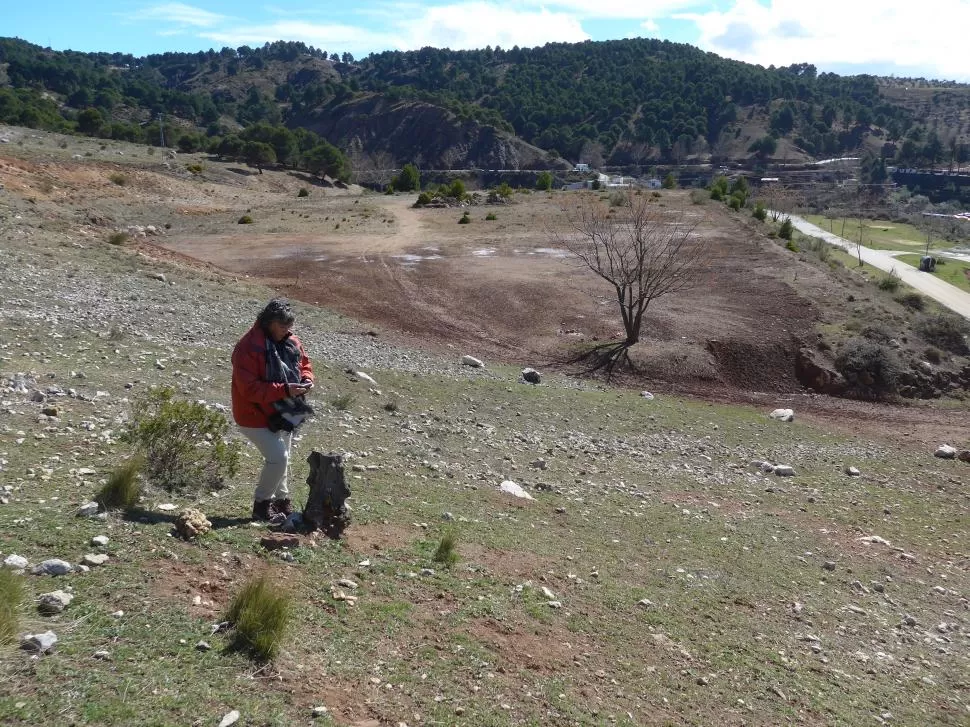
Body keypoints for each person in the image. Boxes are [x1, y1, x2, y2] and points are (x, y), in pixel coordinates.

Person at [231, 299, 314, 522]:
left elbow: (304, 363)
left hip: (284, 410)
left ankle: (282, 501)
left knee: (283, 458)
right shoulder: (248, 347)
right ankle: (261, 506)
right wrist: (285, 389)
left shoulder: (291, 340)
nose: (287, 331)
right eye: (282, 326)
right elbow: (249, 389)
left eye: (289, 326)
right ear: (269, 323)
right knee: (279, 458)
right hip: (253, 414)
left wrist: (306, 378)